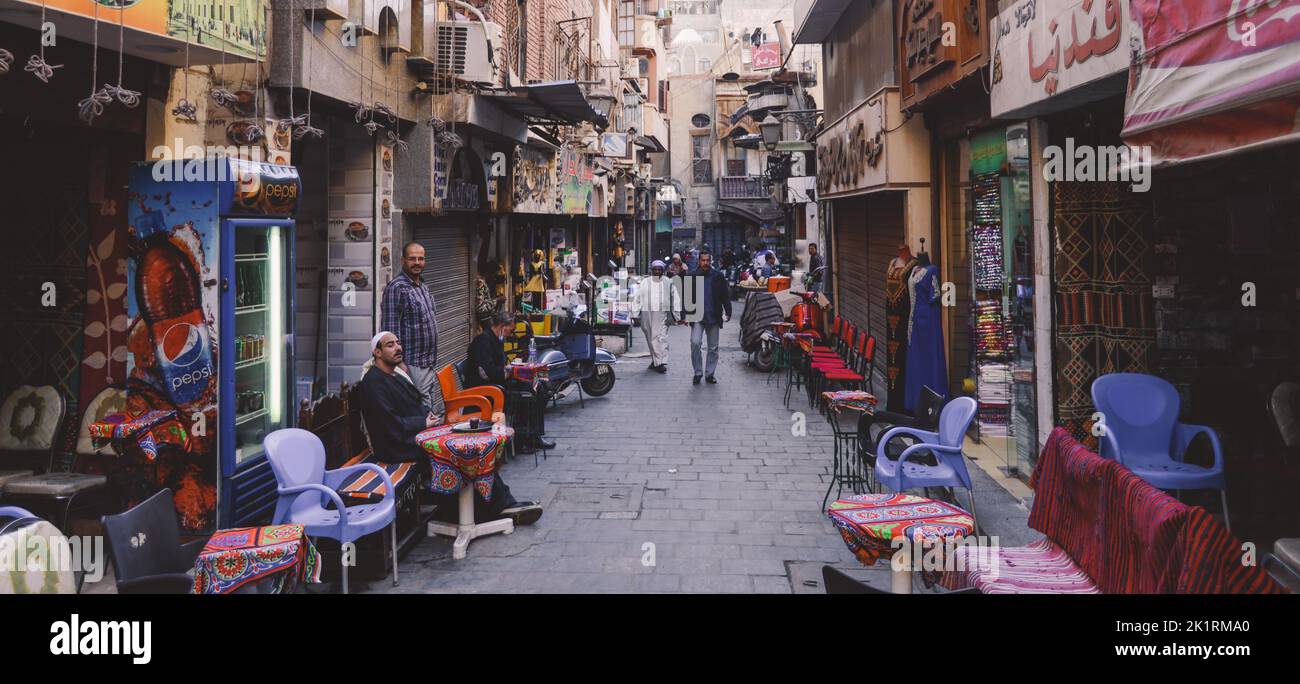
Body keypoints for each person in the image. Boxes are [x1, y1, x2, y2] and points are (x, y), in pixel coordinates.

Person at [356, 331, 542, 525]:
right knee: (460, 452)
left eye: (398, 343)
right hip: (396, 446)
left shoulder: (394, 375)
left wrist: (428, 416)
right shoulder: (373, 383)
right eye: (390, 345)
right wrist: (422, 423)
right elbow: (388, 424)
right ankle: (492, 509)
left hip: (415, 434)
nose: (398, 348)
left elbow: (413, 404)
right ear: (377, 352)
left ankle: (499, 504)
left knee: (471, 447)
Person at [466, 311, 557, 454]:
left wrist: (511, 369)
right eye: (511, 329)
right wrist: (508, 372)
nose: (511, 333)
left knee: (538, 386)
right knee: (527, 392)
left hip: (499, 382)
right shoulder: (483, 342)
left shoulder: (497, 339)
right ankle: (523, 440)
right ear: (503, 326)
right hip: (486, 389)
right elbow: (488, 373)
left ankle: (534, 436)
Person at [380, 242, 439, 408]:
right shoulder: (396, 288)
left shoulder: (422, 286)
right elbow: (389, 329)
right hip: (412, 364)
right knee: (421, 411)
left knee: (429, 411)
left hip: (428, 362)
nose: (417, 263)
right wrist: (399, 364)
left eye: (421, 258)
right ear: (403, 261)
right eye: (412, 258)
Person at [679, 250, 731, 385]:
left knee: (713, 347)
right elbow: (686, 297)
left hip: (713, 316)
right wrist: (684, 315)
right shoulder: (692, 276)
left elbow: (725, 295)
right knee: (695, 343)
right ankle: (698, 372)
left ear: (711, 261)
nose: (705, 263)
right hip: (697, 316)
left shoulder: (717, 276)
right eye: (703, 260)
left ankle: (709, 374)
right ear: (699, 261)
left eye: (708, 260)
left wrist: (728, 311)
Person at [633, 260, 681, 373]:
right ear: (651, 270)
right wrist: (634, 314)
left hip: (662, 314)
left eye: (659, 269)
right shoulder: (645, 282)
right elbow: (638, 297)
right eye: (655, 269)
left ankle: (661, 363)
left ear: (662, 271)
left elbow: (676, 298)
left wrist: (677, 315)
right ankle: (656, 360)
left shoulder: (668, 282)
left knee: (660, 337)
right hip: (647, 313)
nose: (657, 271)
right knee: (650, 338)